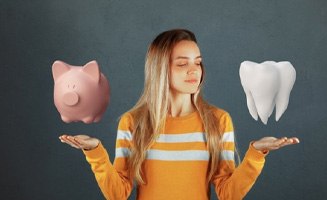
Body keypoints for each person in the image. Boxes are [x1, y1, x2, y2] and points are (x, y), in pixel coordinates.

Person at [59, 29, 299, 200]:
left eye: (198, 62)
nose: (194, 70)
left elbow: (229, 194)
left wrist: (256, 154)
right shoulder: (133, 123)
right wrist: (95, 153)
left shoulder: (218, 121)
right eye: (182, 64)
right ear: (161, 69)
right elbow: (117, 194)